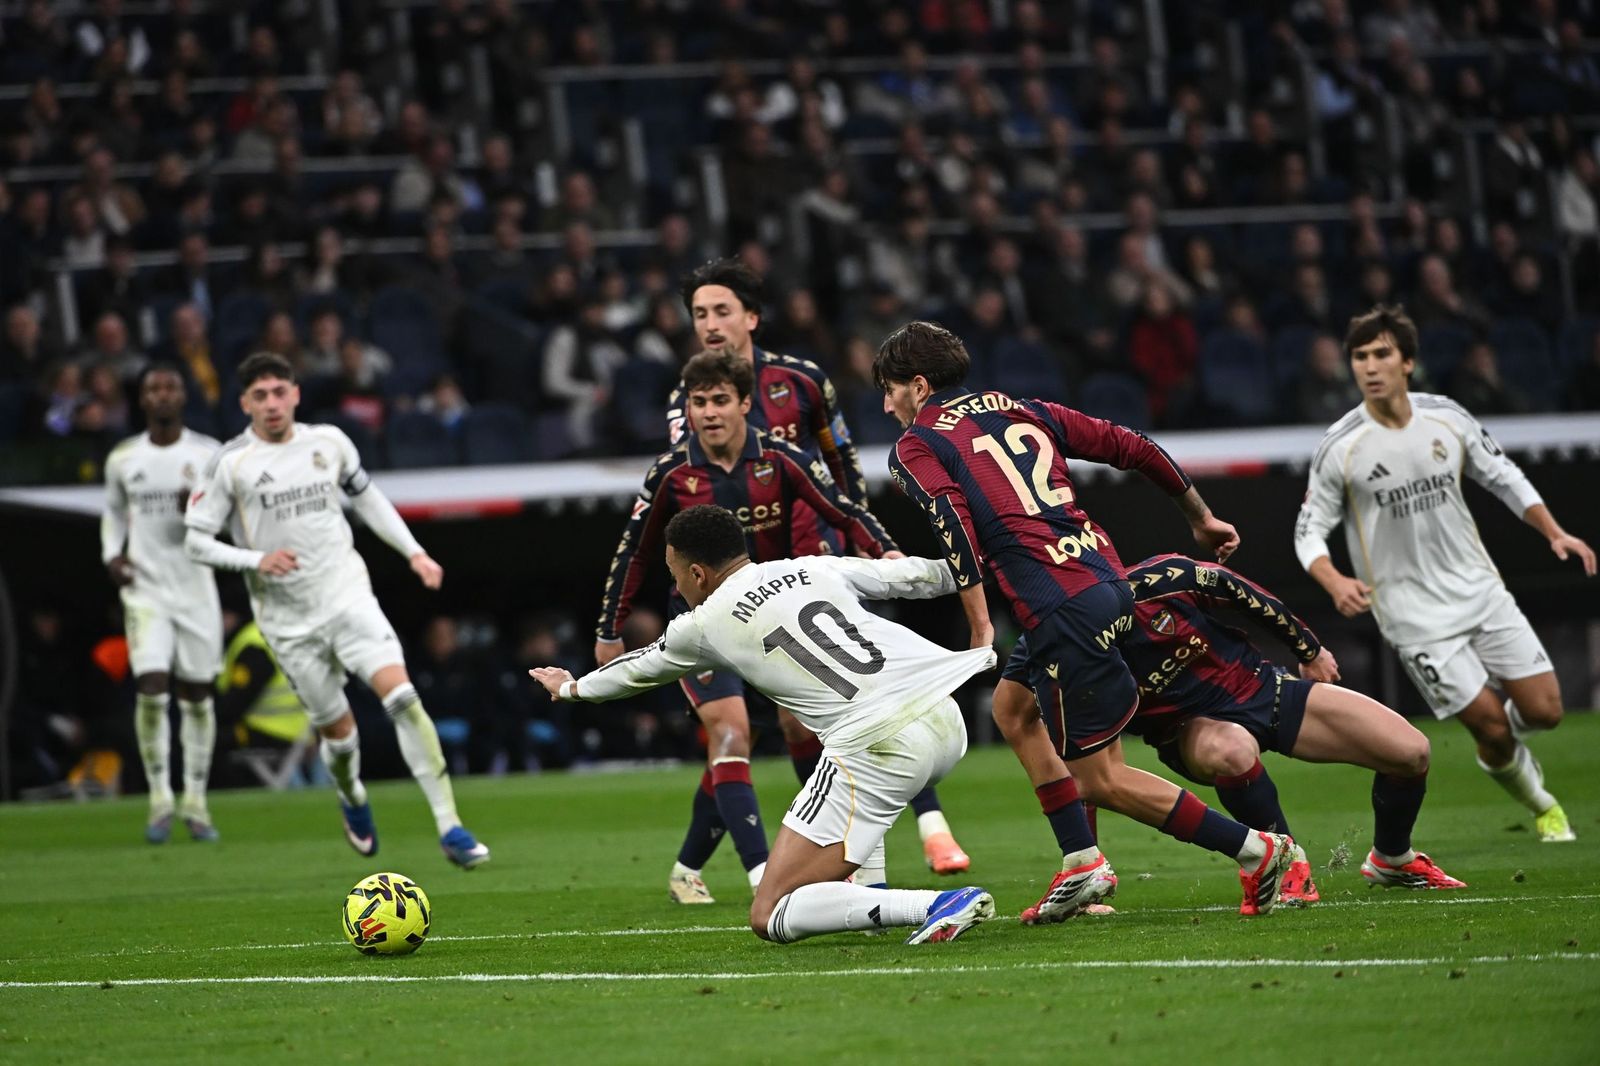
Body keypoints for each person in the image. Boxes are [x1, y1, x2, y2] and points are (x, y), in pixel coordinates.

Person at [874, 321, 1296, 919]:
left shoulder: (917, 444)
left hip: (1060, 608)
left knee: (1102, 778)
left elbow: (956, 528)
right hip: (1106, 580)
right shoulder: (1025, 408)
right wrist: (1200, 517)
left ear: (917, 386)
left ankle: (1256, 850)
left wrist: (980, 629)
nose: (886, 404)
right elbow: (1134, 444)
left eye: (888, 390)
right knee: (1013, 709)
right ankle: (1080, 861)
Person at [536, 505, 997, 945]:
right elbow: (918, 576)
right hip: (942, 713)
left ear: (697, 573)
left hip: (876, 745)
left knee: (770, 911)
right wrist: (991, 561)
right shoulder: (813, 567)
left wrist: (572, 688)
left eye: (675, 573)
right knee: (867, 811)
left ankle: (936, 904)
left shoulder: (702, 623)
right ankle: (873, 898)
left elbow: (635, 670)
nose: (677, 585)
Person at [669, 257, 972, 875]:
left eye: (721, 310)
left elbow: (842, 465)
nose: (710, 324)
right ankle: (826, 845)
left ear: (750, 317)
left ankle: (929, 828)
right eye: (699, 314)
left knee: (858, 693)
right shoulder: (690, 395)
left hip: (813, 563)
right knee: (769, 722)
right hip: (736, 582)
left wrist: (867, 536)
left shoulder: (802, 381)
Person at [996, 553, 1467, 915]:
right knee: (1233, 749)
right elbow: (1086, 757)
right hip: (1190, 730)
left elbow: (1235, 588)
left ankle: (1392, 857)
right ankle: (1285, 862)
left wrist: (1308, 648)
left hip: (1264, 689)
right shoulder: (1066, 646)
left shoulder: (1161, 579)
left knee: (1411, 751)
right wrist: (1085, 851)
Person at [598, 351, 897, 902]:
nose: (708, 412)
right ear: (687, 409)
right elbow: (635, 552)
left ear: (743, 403)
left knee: (798, 729)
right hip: (703, 624)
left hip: (772, 618)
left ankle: (693, 866)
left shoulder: (782, 459)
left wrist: (887, 550)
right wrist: (609, 628)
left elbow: (842, 509)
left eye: (719, 400)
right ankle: (765, 877)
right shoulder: (670, 473)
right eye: (698, 402)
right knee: (730, 732)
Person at [1294, 304, 1594, 843]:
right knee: (1490, 727)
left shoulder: (1447, 418)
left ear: (1407, 362)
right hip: (1412, 614)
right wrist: (1334, 580)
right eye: (1359, 356)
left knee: (1546, 711)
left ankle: (1505, 751)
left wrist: (1554, 531)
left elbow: (1503, 475)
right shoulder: (1341, 446)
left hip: (1480, 590)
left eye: (1381, 353)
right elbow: (1307, 530)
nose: (1370, 365)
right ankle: (1544, 805)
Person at [184, 351, 490, 868]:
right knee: (339, 733)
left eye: (279, 391)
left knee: (404, 697)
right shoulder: (230, 463)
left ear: (295, 393)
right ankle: (352, 798)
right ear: (244, 403)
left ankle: (450, 825)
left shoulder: (329, 442)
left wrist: (414, 552)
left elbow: (368, 500)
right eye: (259, 395)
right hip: (288, 622)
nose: (272, 403)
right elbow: (195, 541)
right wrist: (256, 559)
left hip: (347, 595)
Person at [101, 363, 223, 842]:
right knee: (151, 685)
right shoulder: (123, 458)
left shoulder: (209, 455)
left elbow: (229, 521)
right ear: (143, 399)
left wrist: (195, 513)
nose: (163, 395)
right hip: (146, 588)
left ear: (182, 396)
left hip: (196, 588)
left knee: (197, 695)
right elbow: (112, 512)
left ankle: (195, 801)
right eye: (154, 388)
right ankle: (158, 799)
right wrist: (113, 555)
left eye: (171, 387)